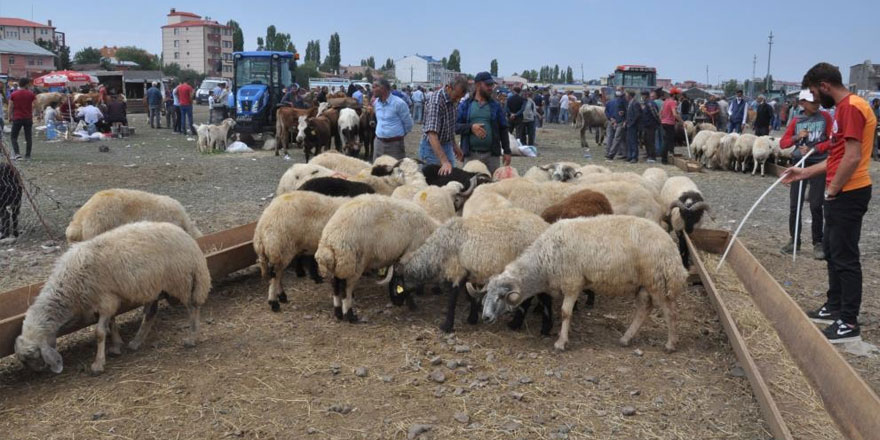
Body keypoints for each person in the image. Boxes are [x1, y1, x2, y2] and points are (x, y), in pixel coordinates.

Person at [782, 62, 876, 343]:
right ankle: (834, 306)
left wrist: (833, 190)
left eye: (813, 90)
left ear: (824, 86)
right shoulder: (844, 109)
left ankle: (848, 321)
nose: (813, 97)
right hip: (842, 190)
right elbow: (835, 158)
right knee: (834, 252)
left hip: (849, 191)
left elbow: (852, 157)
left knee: (845, 257)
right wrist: (804, 171)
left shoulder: (850, 107)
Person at [779, 89, 831, 259]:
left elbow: (833, 140)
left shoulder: (826, 117)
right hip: (798, 163)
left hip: (818, 164)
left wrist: (815, 148)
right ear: (802, 103)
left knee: (816, 205)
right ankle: (794, 240)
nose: (816, 104)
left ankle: (818, 242)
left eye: (817, 101)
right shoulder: (796, 120)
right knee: (795, 205)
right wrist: (796, 137)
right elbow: (783, 143)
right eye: (812, 102)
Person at [454, 72, 511, 175]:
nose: (491, 88)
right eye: (488, 85)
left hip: (492, 156)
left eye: (492, 85)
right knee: (471, 186)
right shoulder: (466, 105)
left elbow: (503, 128)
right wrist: (471, 127)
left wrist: (507, 151)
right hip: (470, 156)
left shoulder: (495, 106)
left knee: (492, 187)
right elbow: (455, 127)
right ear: (478, 85)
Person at [418, 76, 468, 173]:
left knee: (450, 175)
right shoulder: (436, 102)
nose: (458, 100)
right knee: (433, 180)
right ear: (449, 88)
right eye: (456, 96)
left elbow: (449, 127)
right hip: (431, 147)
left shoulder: (453, 100)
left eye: (460, 98)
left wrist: (455, 146)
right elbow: (432, 134)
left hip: (446, 144)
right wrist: (444, 161)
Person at [372, 78, 414, 161]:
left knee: (395, 170)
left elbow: (408, 124)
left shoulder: (399, 103)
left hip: (395, 145)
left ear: (383, 88)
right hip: (378, 143)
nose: (372, 89)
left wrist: (397, 136)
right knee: (377, 170)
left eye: (375, 87)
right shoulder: (376, 103)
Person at [7, 77, 36, 160]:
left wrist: (9, 116)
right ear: (27, 84)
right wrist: (37, 113)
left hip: (17, 117)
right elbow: (35, 105)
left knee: (13, 137)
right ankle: (28, 155)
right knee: (28, 137)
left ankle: (17, 154)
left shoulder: (14, 94)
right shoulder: (31, 94)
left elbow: (10, 107)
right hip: (28, 118)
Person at [660, 89, 683, 164]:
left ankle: (670, 155)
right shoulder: (672, 102)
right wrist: (682, 122)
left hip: (664, 122)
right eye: (678, 95)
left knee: (668, 140)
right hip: (669, 123)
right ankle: (664, 159)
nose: (680, 96)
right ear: (674, 95)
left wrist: (662, 119)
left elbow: (660, 112)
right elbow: (675, 114)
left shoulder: (665, 101)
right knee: (667, 141)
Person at [604, 88, 626, 160]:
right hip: (620, 121)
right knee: (618, 138)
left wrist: (610, 118)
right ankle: (612, 154)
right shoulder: (623, 102)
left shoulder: (609, 102)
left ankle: (608, 152)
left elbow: (606, 112)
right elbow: (625, 111)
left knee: (610, 137)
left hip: (611, 121)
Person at [641, 90, 660, 163]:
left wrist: (657, 122)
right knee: (646, 141)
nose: (642, 97)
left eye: (642, 96)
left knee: (650, 141)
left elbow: (655, 114)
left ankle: (652, 156)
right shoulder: (646, 103)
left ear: (645, 96)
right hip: (646, 125)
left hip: (651, 125)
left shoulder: (650, 103)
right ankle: (649, 155)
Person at [624, 91, 642, 163]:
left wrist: (631, 123)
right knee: (629, 141)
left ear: (630, 96)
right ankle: (630, 156)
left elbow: (637, 115)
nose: (625, 97)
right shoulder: (630, 103)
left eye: (626, 95)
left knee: (633, 141)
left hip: (633, 126)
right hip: (629, 125)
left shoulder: (635, 103)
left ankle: (634, 157)